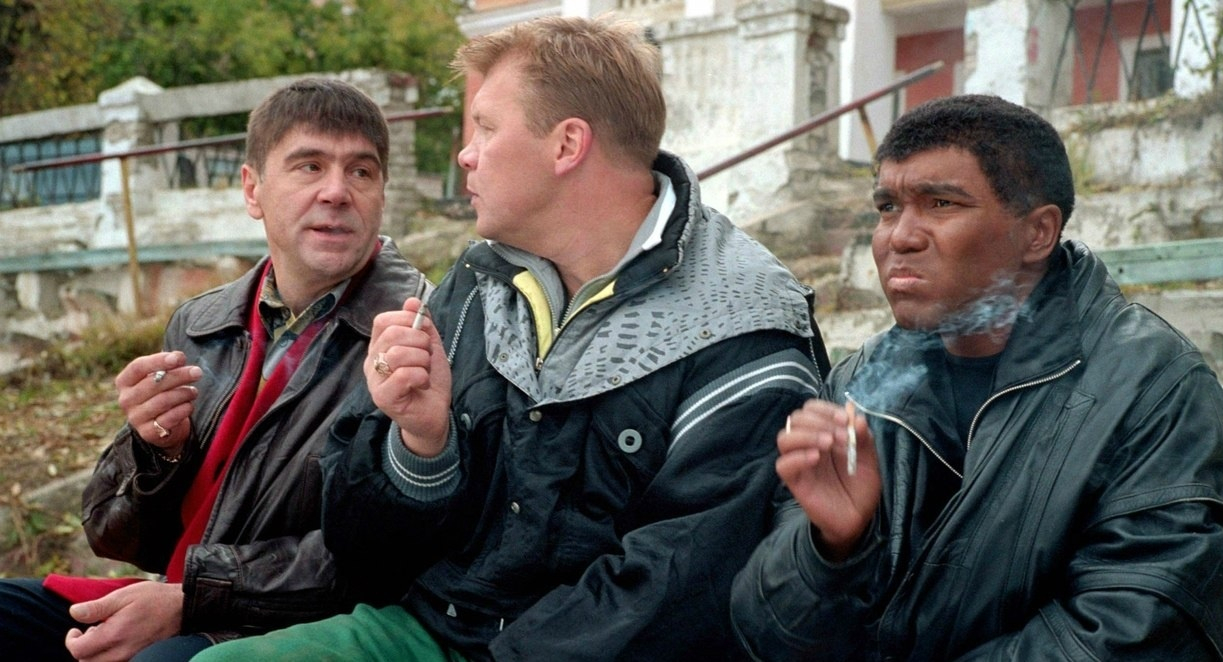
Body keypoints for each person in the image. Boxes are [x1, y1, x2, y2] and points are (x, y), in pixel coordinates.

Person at [192, 15, 828, 662]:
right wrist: (419, 446)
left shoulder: (742, 322)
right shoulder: (479, 280)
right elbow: (359, 554)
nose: (465, 154)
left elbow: (678, 595)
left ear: (567, 145)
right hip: (430, 629)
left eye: (486, 128)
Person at [728, 93, 1223, 661]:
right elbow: (762, 632)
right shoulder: (859, 386)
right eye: (888, 207)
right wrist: (829, 551)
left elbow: (1144, 627)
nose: (899, 237)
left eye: (941, 203)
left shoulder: (1149, 385)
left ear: (1037, 233)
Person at [0, 77, 429, 661]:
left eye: (361, 171)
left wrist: (191, 600)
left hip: (287, 629)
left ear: (381, 193)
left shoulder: (416, 336)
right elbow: (114, 535)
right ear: (253, 190)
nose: (336, 191)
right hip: (179, 595)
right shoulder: (203, 322)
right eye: (309, 166)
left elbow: (384, 555)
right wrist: (158, 450)